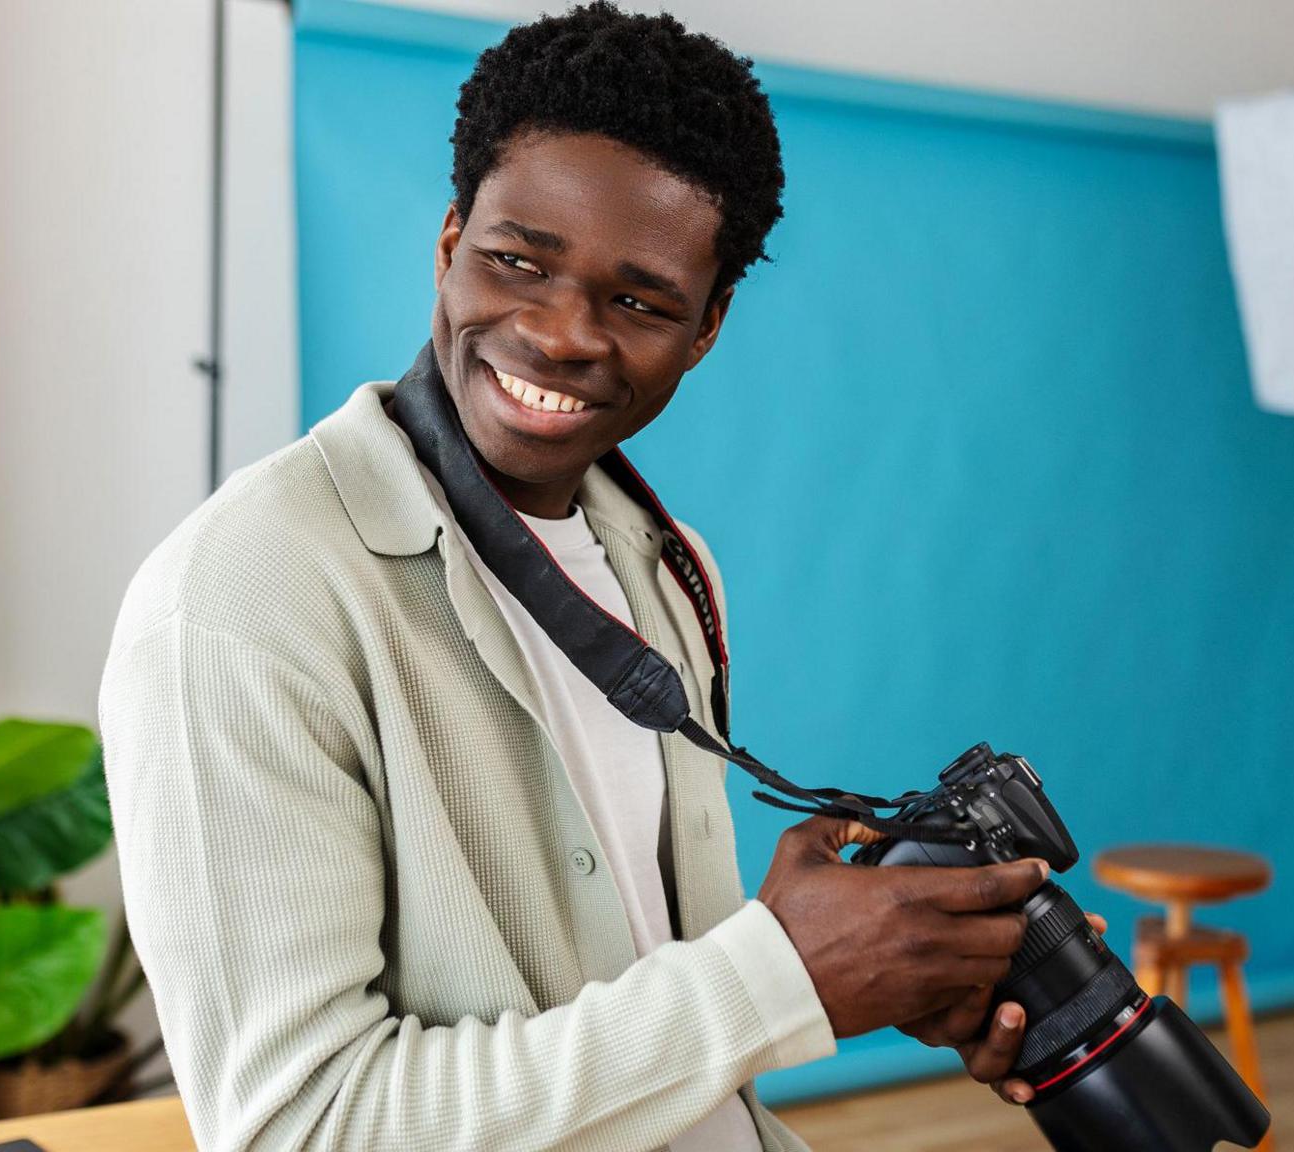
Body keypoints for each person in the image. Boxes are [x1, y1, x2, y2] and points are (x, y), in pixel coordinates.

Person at [100, 5, 1096, 1149]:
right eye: (516, 261)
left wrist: (872, 967)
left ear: (709, 325)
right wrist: (777, 976)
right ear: (447, 239)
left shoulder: (670, 566)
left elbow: (633, 985)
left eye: (638, 300)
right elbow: (306, 1127)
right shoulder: (238, 599)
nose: (561, 332)